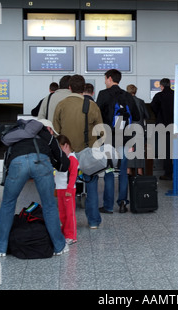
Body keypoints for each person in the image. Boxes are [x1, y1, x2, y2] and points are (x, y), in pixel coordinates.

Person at [0, 119, 70, 257]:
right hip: (41, 160)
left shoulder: (16, 132)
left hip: (17, 162)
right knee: (49, 205)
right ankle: (59, 246)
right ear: (47, 128)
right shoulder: (47, 135)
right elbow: (64, 163)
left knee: (8, 204)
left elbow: (6, 154)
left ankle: (0, 248)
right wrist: (54, 162)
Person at [53, 75, 103, 229]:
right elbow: (101, 131)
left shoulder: (61, 104)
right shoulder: (92, 106)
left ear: (69, 88)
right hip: (88, 153)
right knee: (92, 186)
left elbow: (56, 131)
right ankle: (93, 221)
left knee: (67, 187)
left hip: (67, 155)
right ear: (84, 88)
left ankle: (66, 220)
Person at [96, 69, 140, 214]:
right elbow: (137, 116)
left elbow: (97, 116)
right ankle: (122, 203)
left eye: (105, 79)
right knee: (122, 172)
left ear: (109, 78)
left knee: (109, 171)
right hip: (125, 140)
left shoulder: (103, 94)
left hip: (109, 140)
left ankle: (108, 206)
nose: (104, 81)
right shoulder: (127, 96)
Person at [55, 134, 79, 245]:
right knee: (62, 214)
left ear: (66, 146)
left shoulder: (72, 159)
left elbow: (73, 175)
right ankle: (65, 232)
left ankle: (71, 235)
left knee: (70, 214)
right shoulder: (62, 159)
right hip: (60, 189)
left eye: (60, 148)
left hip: (68, 190)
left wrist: (69, 188)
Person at [150, 78, 174, 180]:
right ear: (170, 84)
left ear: (161, 86)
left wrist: (159, 115)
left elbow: (152, 106)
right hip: (175, 126)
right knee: (175, 150)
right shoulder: (176, 94)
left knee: (166, 151)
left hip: (162, 126)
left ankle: (168, 173)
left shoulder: (159, 96)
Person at [126, 84, 149, 176]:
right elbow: (147, 115)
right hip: (139, 129)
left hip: (128, 129)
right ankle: (140, 171)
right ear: (135, 92)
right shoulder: (141, 101)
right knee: (139, 151)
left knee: (129, 150)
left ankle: (128, 170)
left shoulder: (125, 102)